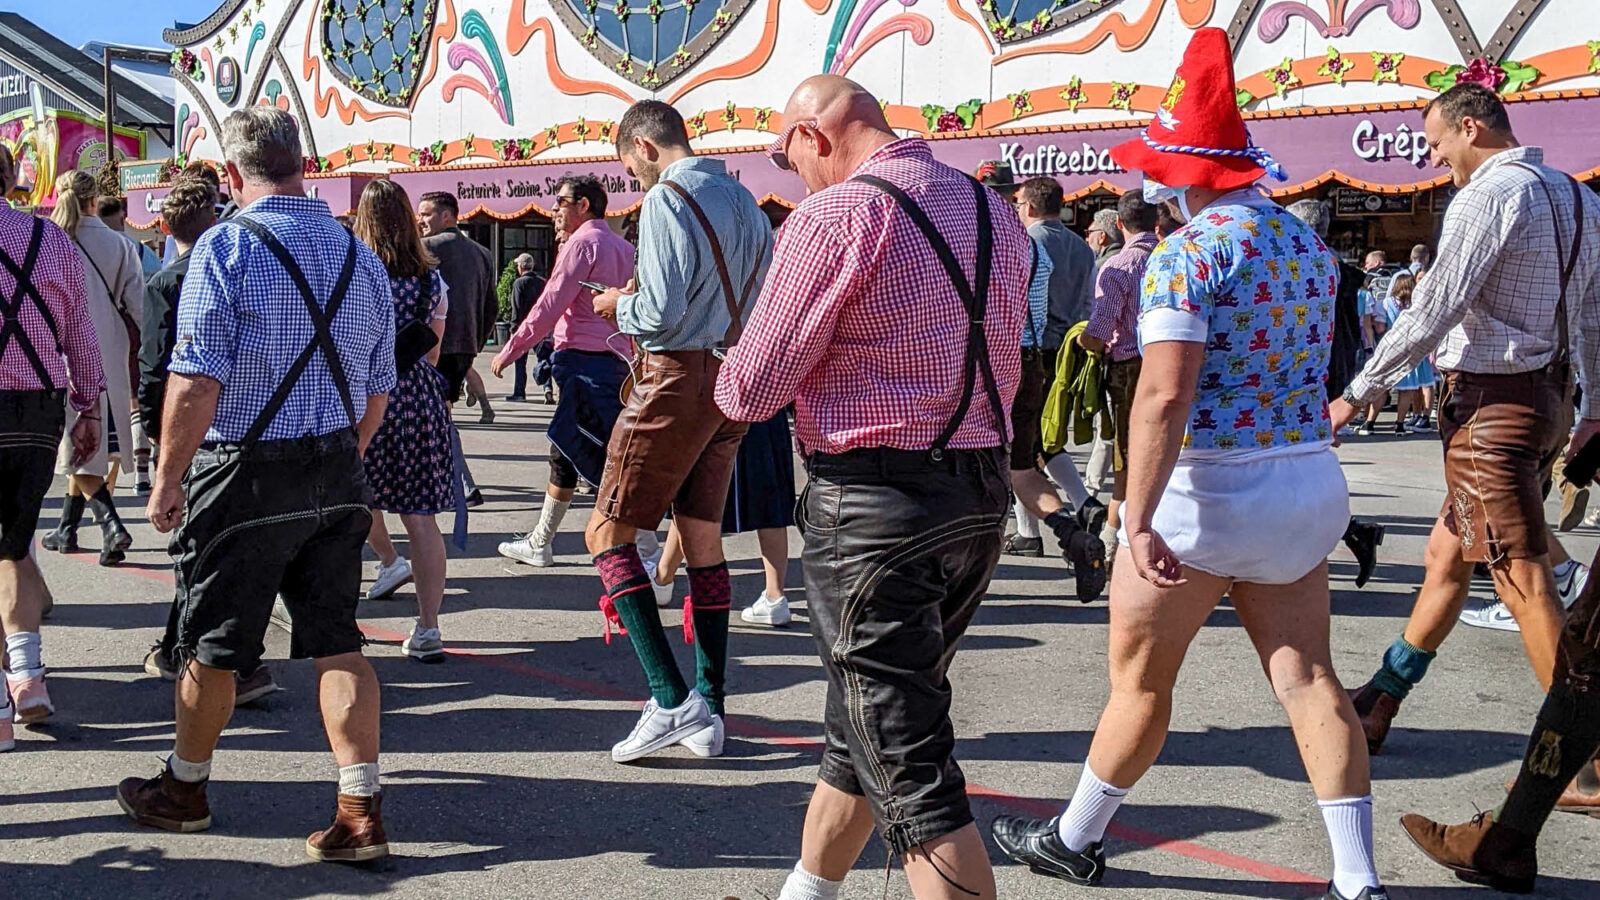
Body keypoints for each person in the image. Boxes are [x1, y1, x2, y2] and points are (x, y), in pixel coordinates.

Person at [989, 30, 1388, 900]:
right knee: (1310, 677)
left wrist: (1133, 513)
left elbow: (1163, 397)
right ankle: (1358, 879)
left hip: (1207, 488)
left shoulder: (1188, 252)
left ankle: (1073, 838)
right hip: (1304, 476)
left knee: (1140, 685)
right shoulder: (1305, 244)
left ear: (1183, 170)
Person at [717, 74, 1028, 900]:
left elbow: (752, 389)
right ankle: (808, 890)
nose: (793, 176)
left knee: (911, 768)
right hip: (976, 491)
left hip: (875, 509)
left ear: (814, 133)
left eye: (787, 157)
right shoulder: (989, 206)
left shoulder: (839, 215)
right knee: (866, 725)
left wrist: (723, 363)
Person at [116, 107, 396, 862]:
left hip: (244, 473)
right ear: (300, 164)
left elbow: (197, 380)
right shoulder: (357, 253)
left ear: (233, 177)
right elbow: (377, 387)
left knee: (212, 647)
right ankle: (360, 810)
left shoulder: (226, 247)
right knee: (340, 642)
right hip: (336, 464)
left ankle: (183, 792)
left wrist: (167, 479)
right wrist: (343, 454)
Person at [1329, 84, 1600, 760]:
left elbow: (1435, 308)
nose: (1435, 156)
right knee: (1446, 558)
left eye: (1439, 141)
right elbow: (1594, 317)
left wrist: (1358, 391)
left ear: (1472, 127)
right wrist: (1593, 409)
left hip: (1491, 409)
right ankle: (1382, 695)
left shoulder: (1489, 195)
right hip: (1547, 400)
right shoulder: (1581, 196)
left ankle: (1579, 758)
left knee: (1522, 578)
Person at [585, 99, 771, 764]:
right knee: (700, 538)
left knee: (605, 531)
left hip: (675, 379)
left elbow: (659, 313)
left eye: (626, 164)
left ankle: (669, 699)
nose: (631, 177)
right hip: (730, 380)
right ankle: (710, 708)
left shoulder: (667, 199)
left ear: (642, 145)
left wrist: (615, 303)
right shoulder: (745, 199)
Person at [137, 179, 283, 704]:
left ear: (165, 226)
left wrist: (158, 445)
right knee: (222, 548)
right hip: (259, 425)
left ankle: (228, 664)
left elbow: (157, 370)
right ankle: (190, 650)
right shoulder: (251, 259)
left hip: (201, 428)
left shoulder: (169, 282)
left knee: (199, 551)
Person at [0, 145, 104, 737]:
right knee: (13, 542)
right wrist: (87, 404)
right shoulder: (49, 242)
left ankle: (6, 700)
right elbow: (79, 332)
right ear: (13, 179)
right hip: (35, 409)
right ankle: (28, 672)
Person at [490, 175, 634, 568]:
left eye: (560, 201)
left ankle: (644, 549)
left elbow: (551, 301)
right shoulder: (623, 246)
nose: (554, 210)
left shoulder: (582, 243)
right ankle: (542, 540)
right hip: (617, 360)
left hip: (584, 361)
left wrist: (512, 348)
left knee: (594, 451)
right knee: (575, 449)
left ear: (583, 205)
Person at [352, 179, 454, 662]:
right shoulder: (432, 281)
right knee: (421, 518)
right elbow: (431, 353)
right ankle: (428, 628)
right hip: (417, 398)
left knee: (352, 502)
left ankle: (378, 576)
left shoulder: (356, 273)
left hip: (365, 396)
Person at [1008, 177, 1108, 594]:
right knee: (1044, 439)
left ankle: (1032, 530)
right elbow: (1088, 300)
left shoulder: (1027, 243)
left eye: (1017, 201)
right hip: (1070, 346)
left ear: (1029, 206)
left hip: (1033, 347)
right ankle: (1081, 504)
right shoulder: (1082, 247)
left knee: (1022, 443)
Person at [38, 170, 141, 567]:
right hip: (109, 347)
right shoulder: (119, 244)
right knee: (92, 444)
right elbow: (138, 305)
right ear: (94, 199)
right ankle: (66, 528)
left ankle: (109, 523)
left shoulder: (50, 240)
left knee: (75, 444)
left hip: (58, 351)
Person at [1286, 198, 1386, 589]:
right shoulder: (1339, 267)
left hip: (1312, 371)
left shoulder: (1308, 264)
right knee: (1305, 461)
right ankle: (1346, 531)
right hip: (1334, 368)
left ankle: (1339, 533)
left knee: (1297, 460)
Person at [652, 408, 798, 625]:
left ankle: (663, 580)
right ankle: (775, 596)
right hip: (764, 408)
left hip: (714, 406)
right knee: (769, 499)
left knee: (694, 497)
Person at [1078, 192, 1160, 572]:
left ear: (1121, 226)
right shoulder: (1170, 255)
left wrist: (1082, 341)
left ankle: (1114, 544)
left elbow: (1099, 328)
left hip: (1129, 367)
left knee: (1127, 457)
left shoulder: (1121, 264)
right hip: (1169, 360)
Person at [418, 191, 497, 425]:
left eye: (426, 214)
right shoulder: (483, 253)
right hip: (465, 345)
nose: (420, 220)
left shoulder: (424, 248)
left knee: (430, 414)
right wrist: (475, 343)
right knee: (445, 406)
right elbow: (491, 306)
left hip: (429, 344)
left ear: (446, 216)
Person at [1380, 272, 1436, 434]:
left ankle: (1419, 416)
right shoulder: (1418, 303)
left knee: (1414, 384)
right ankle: (1419, 415)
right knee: (1421, 382)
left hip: (1395, 347)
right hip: (1418, 344)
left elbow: (1380, 326)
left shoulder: (1387, 303)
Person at [505, 253, 545, 401]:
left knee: (520, 362)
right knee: (543, 358)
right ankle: (548, 388)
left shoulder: (519, 283)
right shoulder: (542, 282)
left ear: (521, 267)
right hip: (539, 325)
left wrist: (513, 330)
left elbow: (516, 307)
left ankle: (519, 392)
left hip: (523, 326)